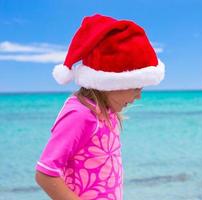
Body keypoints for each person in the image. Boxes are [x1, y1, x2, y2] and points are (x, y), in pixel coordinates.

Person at [34, 14, 165, 200]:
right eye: (136, 87)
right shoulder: (80, 115)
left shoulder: (107, 112)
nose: (139, 95)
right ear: (112, 83)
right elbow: (45, 174)